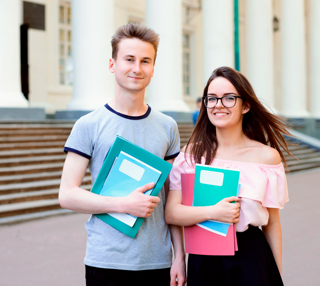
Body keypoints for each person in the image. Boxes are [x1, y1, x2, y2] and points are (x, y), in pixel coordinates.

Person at [59, 23, 186, 286]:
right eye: (129, 59)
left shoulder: (167, 127)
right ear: (112, 64)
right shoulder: (89, 125)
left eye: (145, 61)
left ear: (153, 68)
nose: (137, 68)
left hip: (158, 261)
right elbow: (67, 194)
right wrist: (123, 204)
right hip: (106, 261)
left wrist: (179, 256)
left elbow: (172, 196)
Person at [165, 66, 292, 285]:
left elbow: (272, 224)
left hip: (250, 258)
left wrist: (276, 275)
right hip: (203, 260)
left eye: (229, 98)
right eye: (212, 99)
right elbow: (172, 213)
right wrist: (213, 212)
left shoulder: (267, 158)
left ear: (246, 106)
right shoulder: (190, 156)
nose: (219, 105)